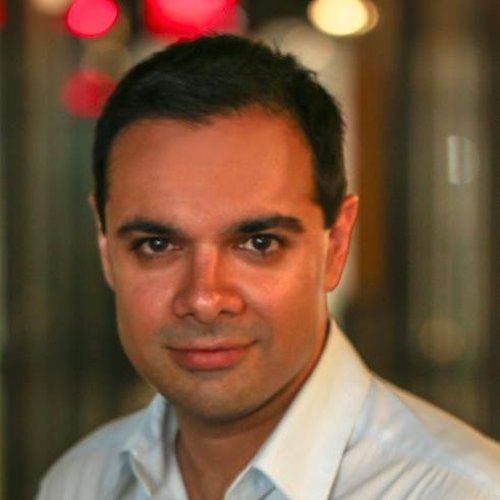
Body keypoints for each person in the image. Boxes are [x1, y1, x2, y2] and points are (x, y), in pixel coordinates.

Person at [37, 34, 500, 500]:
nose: (204, 299)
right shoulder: (78, 484)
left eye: (259, 243)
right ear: (105, 247)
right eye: (157, 245)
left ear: (337, 244)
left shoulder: (463, 491)